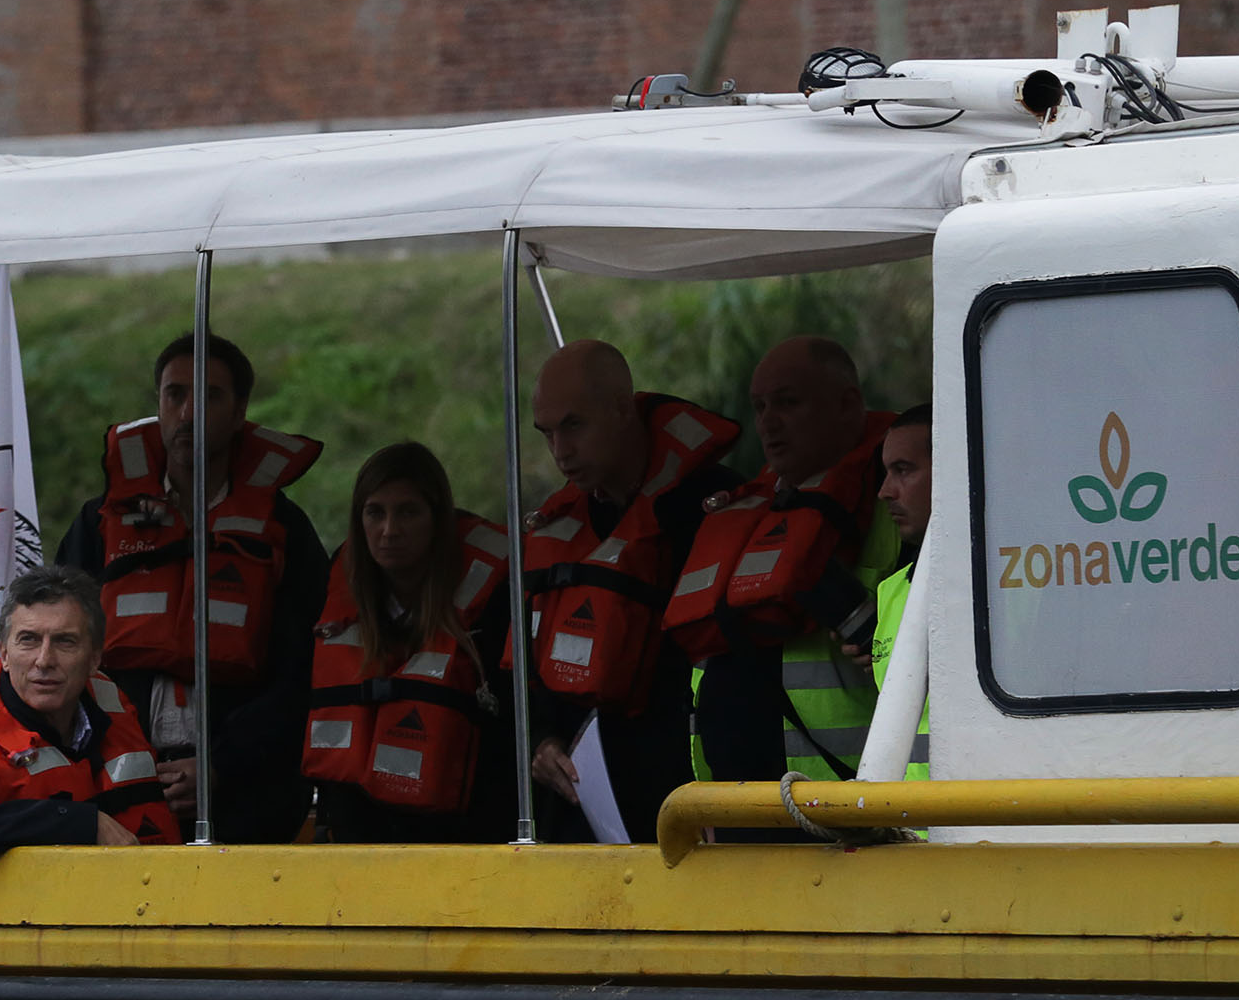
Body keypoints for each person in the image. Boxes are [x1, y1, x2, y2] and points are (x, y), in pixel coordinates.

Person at [56, 332, 326, 843]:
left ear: (240, 409)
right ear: (158, 403)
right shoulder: (98, 523)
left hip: (247, 800)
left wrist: (222, 765)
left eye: (210, 396)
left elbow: (305, 674)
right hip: (118, 788)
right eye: (174, 394)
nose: (188, 413)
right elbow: (59, 649)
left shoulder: (283, 531)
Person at [517, 341, 742, 843]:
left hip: (688, 813)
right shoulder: (556, 527)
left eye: (573, 425)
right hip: (586, 816)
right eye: (547, 433)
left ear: (622, 408)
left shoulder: (711, 510)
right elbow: (526, 678)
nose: (560, 451)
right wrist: (542, 741)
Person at [664, 335, 900, 799]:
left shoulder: (894, 509)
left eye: (788, 403)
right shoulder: (744, 511)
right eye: (760, 406)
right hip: (733, 796)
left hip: (842, 798)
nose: (769, 422)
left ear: (847, 405)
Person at [302, 442, 515, 842]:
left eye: (408, 512)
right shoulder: (335, 588)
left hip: (463, 838)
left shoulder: (491, 606)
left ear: (438, 519)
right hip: (359, 838)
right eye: (375, 512)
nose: (389, 530)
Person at [0, 565, 181, 869]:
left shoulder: (115, 708)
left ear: (94, 659)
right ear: (4, 654)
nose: (44, 660)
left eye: (65, 641)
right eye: (28, 639)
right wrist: (83, 823)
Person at [865, 402, 932, 779]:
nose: (885, 491)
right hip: (911, 830)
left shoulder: (1016, 580)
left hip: (982, 829)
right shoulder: (891, 592)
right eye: (886, 472)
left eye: (903, 470)